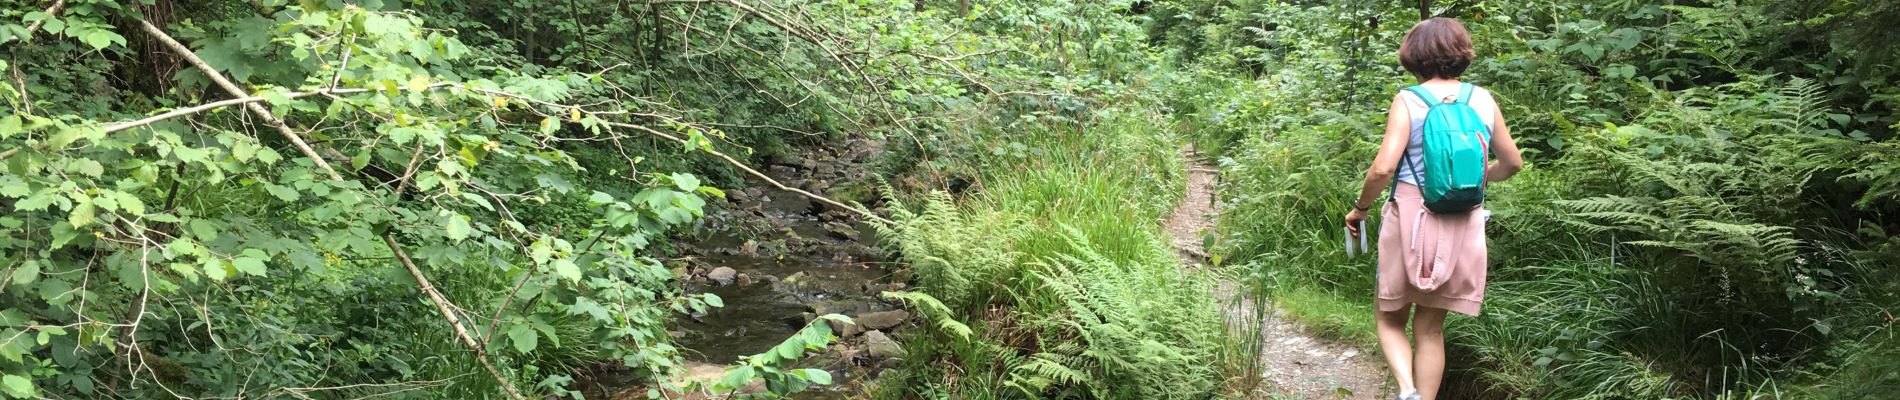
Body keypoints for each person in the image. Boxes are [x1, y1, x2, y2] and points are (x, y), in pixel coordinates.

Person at [1342, 17, 1524, 400]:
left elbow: (1383, 168)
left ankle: (1406, 391)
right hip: (1463, 219)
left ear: (1414, 55)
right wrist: (1474, 180)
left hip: (1410, 215)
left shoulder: (1409, 99)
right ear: (1462, 53)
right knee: (1430, 328)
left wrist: (1360, 209)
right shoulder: (1482, 99)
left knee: (1389, 317)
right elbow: (1512, 164)